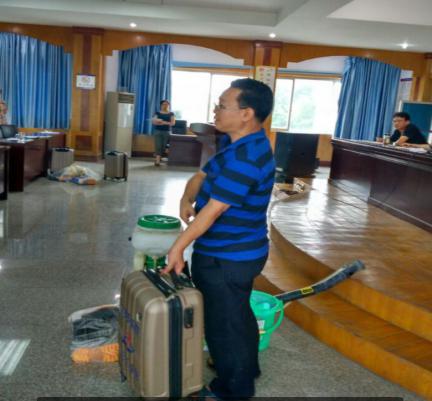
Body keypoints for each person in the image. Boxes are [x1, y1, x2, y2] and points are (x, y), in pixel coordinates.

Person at [162, 78, 275, 400]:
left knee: (223, 324)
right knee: (236, 315)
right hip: (234, 250)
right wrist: (186, 199)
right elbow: (202, 175)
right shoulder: (236, 143)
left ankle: (232, 390)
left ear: (246, 114)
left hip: (229, 256)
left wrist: (177, 248)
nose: (215, 110)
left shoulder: (247, 157)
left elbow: (214, 210)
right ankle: (246, 368)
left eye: (222, 105)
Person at [151, 100, 175, 166]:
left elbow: (173, 123)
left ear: (169, 105)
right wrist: (158, 121)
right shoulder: (157, 113)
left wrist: (163, 122)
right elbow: (154, 122)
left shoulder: (171, 114)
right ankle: (157, 160)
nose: (165, 106)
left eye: (167, 104)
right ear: (161, 105)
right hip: (158, 131)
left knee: (164, 146)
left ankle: (160, 156)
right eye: (164, 104)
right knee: (158, 145)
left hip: (167, 132)